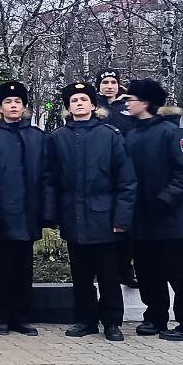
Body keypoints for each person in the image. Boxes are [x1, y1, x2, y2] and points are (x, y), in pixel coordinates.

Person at [46, 81, 137, 342]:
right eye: (74, 100)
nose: (79, 103)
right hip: (73, 217)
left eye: (84, 99)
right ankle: (85, 320)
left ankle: (112, 323)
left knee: (108, 275)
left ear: (93, 105)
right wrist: (53, 214)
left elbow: (126, 181)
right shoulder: (57, 138)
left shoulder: (110, 135)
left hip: (104, 218)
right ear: (68, 107)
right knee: (81, 275)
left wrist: (121, 218)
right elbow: (51, 178)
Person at [123, 78, 183, 342]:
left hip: (169, 220)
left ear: (145, 102)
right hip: (141, 219)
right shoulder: (132, 134)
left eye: (130, 99)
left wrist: (163, 201)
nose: (126, 103)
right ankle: (155, 316)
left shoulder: (171, 133)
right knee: (148, 272)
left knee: (181, 276)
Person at [0, 82, 44, 337]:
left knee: (24, 271)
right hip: (3, 216)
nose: (13, 106)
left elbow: (46, 176)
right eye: (8, 102)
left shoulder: (37, 137)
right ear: (0, 108)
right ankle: (1, 317)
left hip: (28, 216)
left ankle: (22, 317)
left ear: (24, 107)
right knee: (3, 270)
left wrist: (45, 212)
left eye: (17, 102)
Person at [96, 68, 138, 289]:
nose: (109, 86)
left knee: (126, 222)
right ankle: (106, 268)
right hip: (100, 169)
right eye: (105, 82)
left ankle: (126, 268)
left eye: (113, 82)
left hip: (125, 166)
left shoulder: (127, 106)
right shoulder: (93, 105)